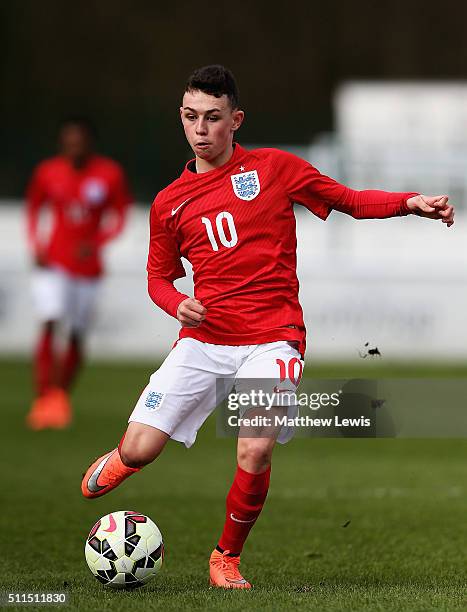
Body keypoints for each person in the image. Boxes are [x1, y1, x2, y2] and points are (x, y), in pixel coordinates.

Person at [81, 66, 454, 588]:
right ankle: (125, 456)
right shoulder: (170, 203)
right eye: (191, 118)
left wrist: (408, 203)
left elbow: (347, 198)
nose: (201, 129)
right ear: (182, 120)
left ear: (236, 120)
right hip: (205, 340)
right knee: (142, 449)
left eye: (213, 118)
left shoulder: (274, 168)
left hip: (274, 337)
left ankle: (225, 558)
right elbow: (158, 276)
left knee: (254, 445)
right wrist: (176, 303)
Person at [26, 117, 132, 430]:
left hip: (88, 269)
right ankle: (43, 397)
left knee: (75, 332)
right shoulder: (48, 171)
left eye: (79, 141)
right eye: (68, 142)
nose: (73, 147)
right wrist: (37, 245)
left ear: (89, 143)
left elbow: (120, 216)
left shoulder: (109, 173)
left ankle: (59, 397)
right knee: (49, 320)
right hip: (53, 263)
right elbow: (34, 209)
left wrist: (97, 243)